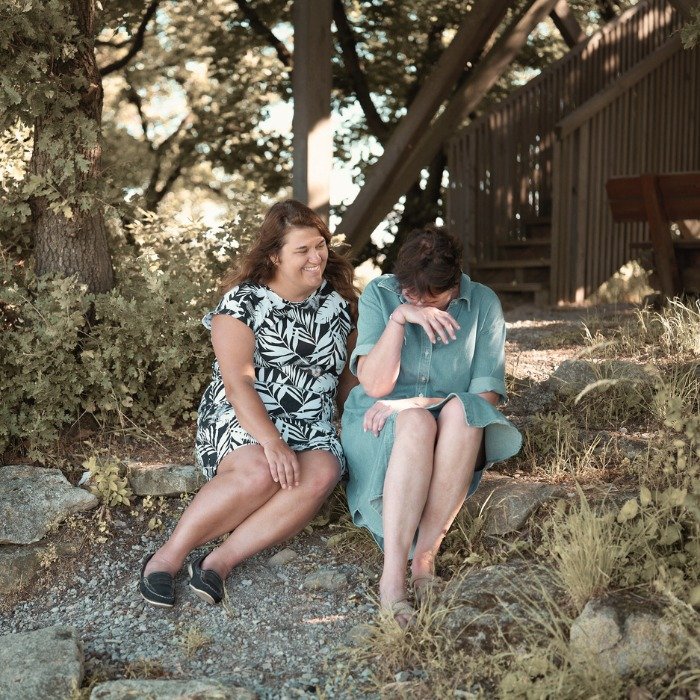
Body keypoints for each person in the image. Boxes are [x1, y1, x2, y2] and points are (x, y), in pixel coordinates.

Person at [139, 200, 357, 607]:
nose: (317, 257)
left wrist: (374, 412)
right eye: (303, 250)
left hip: (312, 421)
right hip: (246, 412)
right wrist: (272, 441)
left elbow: (347, 383)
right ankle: (167, 557)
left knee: (323, 470)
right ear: (274, 255)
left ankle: (218, 562)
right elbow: (238, 382)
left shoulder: (340, 303)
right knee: (263, 471)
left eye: (320, 245)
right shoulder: (242, 303)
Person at [341, 225, 521, 627]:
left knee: (462, 411)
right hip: (378, 423)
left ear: (455, 284)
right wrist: (400, 319)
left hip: (450, 427)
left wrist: (417, 400)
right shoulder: (381, 295)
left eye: (432, 298)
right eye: (410, 294)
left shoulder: (482, 303)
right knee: (418, 422)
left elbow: (486, 397)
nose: (421, 303)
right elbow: (375, 385)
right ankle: (392, 580)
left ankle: (424, 559)